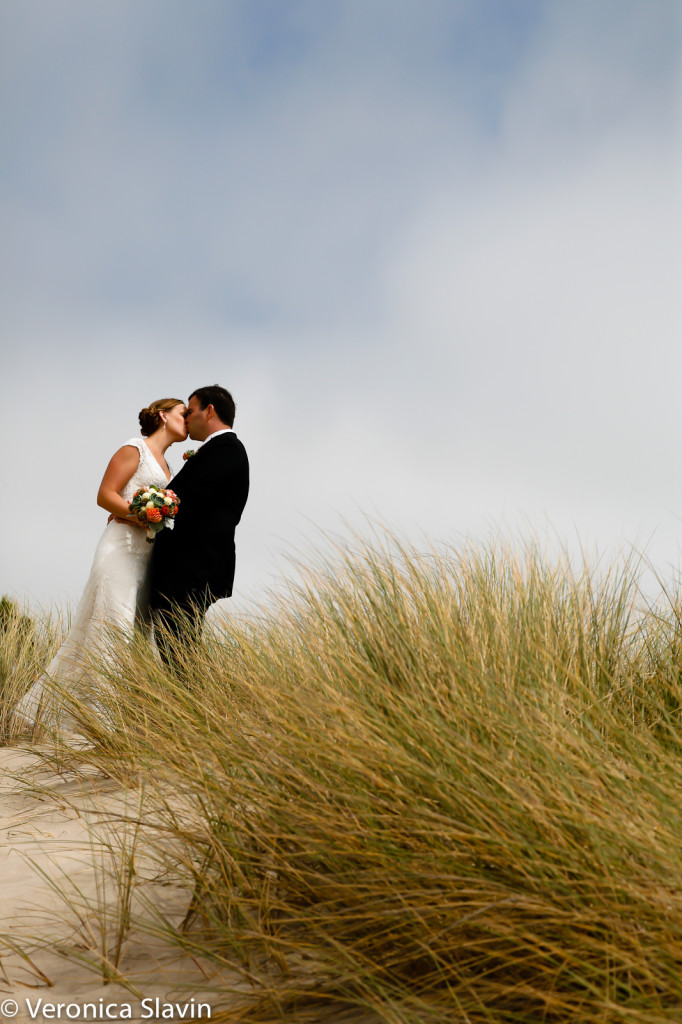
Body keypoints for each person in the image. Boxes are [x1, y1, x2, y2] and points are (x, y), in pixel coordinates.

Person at [14, 398, 188, 728]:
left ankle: (118, 716)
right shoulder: (134, 449)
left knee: (137, 634)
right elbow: (105, 494)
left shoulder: (169, 468)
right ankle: (98, 720)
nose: (188, 421)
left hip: (148, 557)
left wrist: (158, 516)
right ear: (163, 415)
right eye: (183, 414)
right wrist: (140, 513)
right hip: (120, 549)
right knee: (115, 627)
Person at [149, 384, 249, 656]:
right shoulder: (217, 451)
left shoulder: (227, 449)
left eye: (191, 411)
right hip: (189, 567)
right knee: (174, 647)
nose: (187, 418)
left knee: (178, 651)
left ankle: (186, 698)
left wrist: (140, 508)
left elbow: (186, 499)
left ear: (210, 411)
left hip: (194, 567)